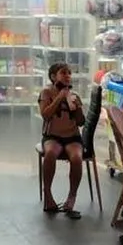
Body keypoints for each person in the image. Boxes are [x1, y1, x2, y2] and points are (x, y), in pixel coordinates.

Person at [39, 62, 85, 218]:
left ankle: (72, 197)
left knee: (77, 158)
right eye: (63, 73)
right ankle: (48, 194)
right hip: (53, 136)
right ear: (53, 76)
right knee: (50, 153)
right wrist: (58, 98)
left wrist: (78, 108)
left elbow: (80, 122)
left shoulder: (74, 96)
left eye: (69, 73)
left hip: (72, 137)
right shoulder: (46, 93)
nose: (67, 76)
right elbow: (45, 115)